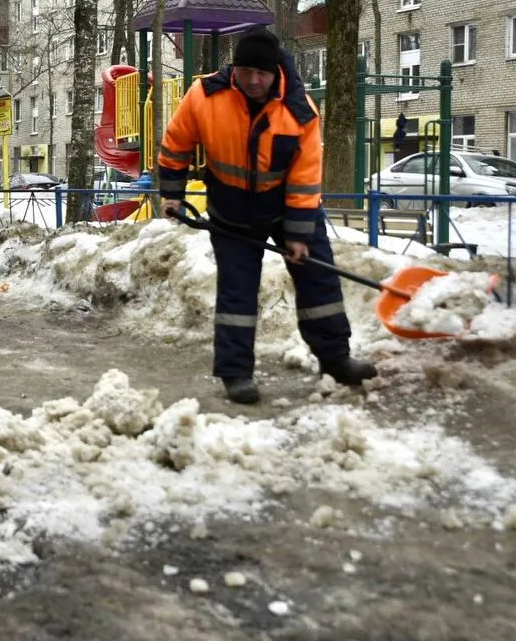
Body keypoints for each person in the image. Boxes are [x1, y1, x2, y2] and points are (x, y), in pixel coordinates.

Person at [157, 27, 376, 405]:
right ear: (234, 68)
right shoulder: (204, 96)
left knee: (319, 281)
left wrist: (297, 234)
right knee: (237, 292)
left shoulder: (299, 110)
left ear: (276, 72)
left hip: (286, 208)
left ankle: (336, 359)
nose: (254, 80)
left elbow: (305, 180)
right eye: (246, 72)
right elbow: (175, 145)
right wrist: (172, 196)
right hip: (230, 210)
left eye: (262, 73)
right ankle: (235, 374)